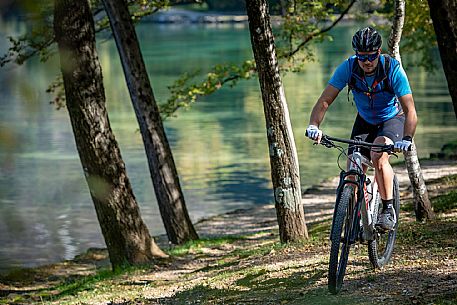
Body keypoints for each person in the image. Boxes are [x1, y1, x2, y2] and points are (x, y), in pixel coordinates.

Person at [306, 26, 417, 231]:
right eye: (362, 56)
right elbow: (325, 100)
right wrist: (314, 125)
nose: (367, 61)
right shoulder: (348, 68)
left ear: (379, 51)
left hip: (393, 119)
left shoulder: (392, 69)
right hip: (365, 120)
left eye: (371, 56)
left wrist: (407, 138)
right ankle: (357, 215)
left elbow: (410, 110)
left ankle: (387, 209)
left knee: (377, 154)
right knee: (352, 170)